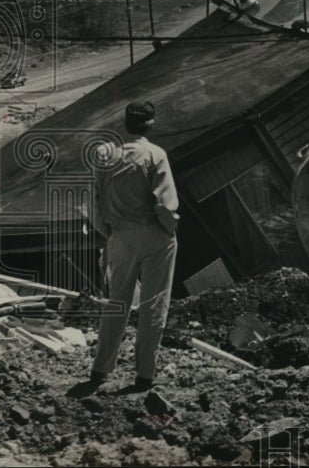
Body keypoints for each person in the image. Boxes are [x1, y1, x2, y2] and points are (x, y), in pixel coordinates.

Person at [68, 101, 179, 398]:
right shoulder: (156, 155)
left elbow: (93, 201)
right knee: (154, 304)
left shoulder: (104, 154)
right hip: (154, 236)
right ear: (151, 124)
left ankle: (100, 369)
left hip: (119, 237)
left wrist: (110, 233)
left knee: (116, 303)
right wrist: (169, 230)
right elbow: (165, 206)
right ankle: (145, 375)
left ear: (125, 124)